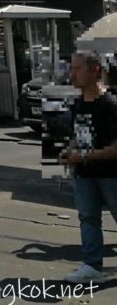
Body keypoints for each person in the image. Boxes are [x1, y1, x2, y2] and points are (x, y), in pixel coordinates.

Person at [60, 49, 117, 284]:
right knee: (88, 219)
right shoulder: (80, 103)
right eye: (71, 69)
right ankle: (92, 266)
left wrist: (83, 156)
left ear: (95, 71)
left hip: (111, 175)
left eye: (77, 69)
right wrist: (70, 149)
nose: (71, 74)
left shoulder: (110, 105)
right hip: (84, 174)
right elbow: (81, 135)